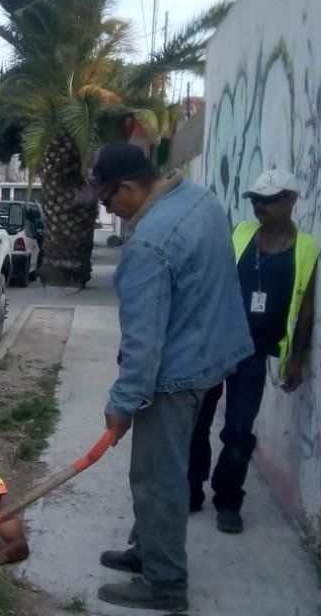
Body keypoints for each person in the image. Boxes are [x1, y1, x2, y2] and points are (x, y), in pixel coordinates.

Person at [80, 144, 253, 612]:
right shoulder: (200, 199)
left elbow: (143, 343)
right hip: (212, 357)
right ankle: (149, 551)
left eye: (104, 199)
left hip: (174, 377)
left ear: (130, 188)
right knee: (165, 471)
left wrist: (121, 404)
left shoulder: (148, 244)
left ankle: (165, 583)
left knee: (158, 478)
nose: (106, 208)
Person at [189, 169, 320, 534]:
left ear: (291, 200)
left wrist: (296, 358)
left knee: (238, 430)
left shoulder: (306, 248)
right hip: (216, 344)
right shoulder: (242, 233)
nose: (260, 206)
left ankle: (228, 500)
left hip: (255, 350)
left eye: (270, 199)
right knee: (197, 422)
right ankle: (191, 489)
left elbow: (306, 306)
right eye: (255, 199)